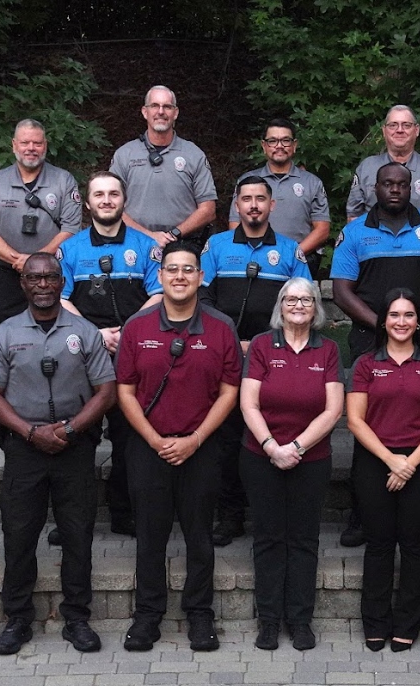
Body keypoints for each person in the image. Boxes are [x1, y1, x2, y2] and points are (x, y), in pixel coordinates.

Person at [0, 252, 116, 655]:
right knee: (19, 534)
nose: (42, 285)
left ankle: (77, 617)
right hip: (24, 447)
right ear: (22, 284)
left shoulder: (84, 331)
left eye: (50, 277)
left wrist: (71, 429)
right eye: (34, 278)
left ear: (62, 282)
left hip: (75, 446)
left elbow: (106, 391)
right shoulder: (5, 332)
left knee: (77, 534)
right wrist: (28, 431)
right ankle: (18, 618)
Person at [115, 241, 241, 653]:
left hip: (201, 448)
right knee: (149, 537)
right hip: (148, 447)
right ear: (161, 276)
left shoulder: (221, 328)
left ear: (201, 277)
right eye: (172, 270)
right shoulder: (138, 327)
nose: (181, 276)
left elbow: (229, 391)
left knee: (199, 536)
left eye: (189, 269)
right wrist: (153, 439)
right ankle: (147, 616)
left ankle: (200, 614)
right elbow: (125, 391)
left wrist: (197, 439)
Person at [332, 161, 420, 547]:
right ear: (376, 187)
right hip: (368, 337)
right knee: (365, 422)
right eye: (386, 184)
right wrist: (383, 325)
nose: (393, 190)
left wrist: (412, 323)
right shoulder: (354, 233)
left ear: (410, 188)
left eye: (400, 184)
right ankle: (360, 514)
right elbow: (341, 290)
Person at [202, 176, 312, 547]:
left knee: (270, 431)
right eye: (246, 199)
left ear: (272, 205)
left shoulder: (290, 250)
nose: (253, 205)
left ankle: (270, 513)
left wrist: (265, 343)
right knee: (228, 438)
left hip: (275, 358)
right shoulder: (215, 246)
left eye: (260, 199)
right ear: (236, 205)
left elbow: (302, 303)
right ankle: (229, 515)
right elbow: (203, 300)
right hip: (226, 357)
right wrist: (233, 341)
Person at [58, 171, 163, 540]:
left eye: (113, 194)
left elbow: (159, 294)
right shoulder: (70, 249)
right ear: (87, 203)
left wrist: (128, 333)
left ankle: (125, 514)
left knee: (127, 439)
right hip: (82, 352)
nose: (106, 200)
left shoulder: (147, 246)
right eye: (99, 194)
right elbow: (60, 298)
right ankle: (72, 521)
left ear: (124, 201)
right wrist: (95, 334)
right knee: (77, 441)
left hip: (130, 352)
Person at [240, 278, 344, 651]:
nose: (298, 304)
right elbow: (248, 403)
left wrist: (296, 447)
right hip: (260, 456)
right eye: (291, 299)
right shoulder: (263, 346)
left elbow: (333, 410)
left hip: (311, 458)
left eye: (306, 299)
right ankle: (268, 621)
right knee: (268, 538)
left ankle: (300, 621)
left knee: (303, 540)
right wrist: (272, 446)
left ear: (316, 306)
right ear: (280, 305)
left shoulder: (328, 349)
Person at [346, 288, 420, 652]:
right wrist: (392, 461)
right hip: (376, 462)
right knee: (378, 546)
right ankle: (375, 623)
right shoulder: (365, 364)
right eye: (394, 315)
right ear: (383, 321)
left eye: (408, 315)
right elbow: (355, 421)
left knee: (415, 546)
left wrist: (409, 464)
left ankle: (407, 624)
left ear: (419, 322)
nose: (401, 322)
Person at [0, 118, 82, 443]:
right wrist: (17, 261)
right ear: (14, 146)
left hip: (51, 277)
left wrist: (38, 263)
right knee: (1, 344)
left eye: (37, 143)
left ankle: (62, 411)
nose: (31, 148)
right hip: (7, 276)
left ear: (45, 146)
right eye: (25, 143)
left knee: (55, 341)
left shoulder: (64, 181)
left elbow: (71, 228)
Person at [109, 85, 217, 246]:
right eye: (154, 106)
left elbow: (208, 210)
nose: (161, 111)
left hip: (183, 244)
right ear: (145, 112)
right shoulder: (124, 155)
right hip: (133, 243)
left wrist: (173, 234)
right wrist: (148, 235)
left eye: (167, 106)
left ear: (176, 113)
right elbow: (111, 205)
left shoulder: (194, 154)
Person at [228, 118, 330, 276]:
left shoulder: (312, 182)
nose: (279, 146)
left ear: (294, 145)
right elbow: (235, 224)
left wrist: (292, 254)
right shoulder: (247, 182)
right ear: (264, 146)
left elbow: (322, 229)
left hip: (300, 261)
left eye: (285, 140)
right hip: (254, 260)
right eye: (273, 141)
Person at [346, 105, 420, 226]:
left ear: (416, 130)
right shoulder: (366, 168)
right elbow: (353, 217)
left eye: (406, 125)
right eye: (393, 125)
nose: (399, 130)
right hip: (375, 242)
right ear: (384, 131)